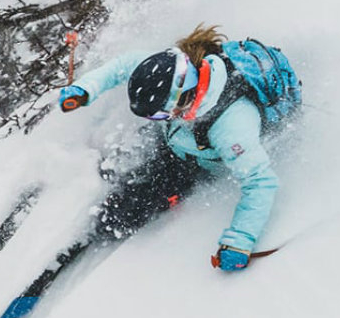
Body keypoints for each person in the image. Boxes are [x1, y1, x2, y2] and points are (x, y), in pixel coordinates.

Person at [58, 25, 283, 272]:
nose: (159, 117)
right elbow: (122, 65)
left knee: (129, 208)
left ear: (184, 98)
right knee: (130, 156)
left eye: (160, 114)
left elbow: (260, 182)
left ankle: (110, 222)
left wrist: (240, 242)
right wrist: (85, 89)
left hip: (194, 164)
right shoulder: (169, 70)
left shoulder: (232, 126)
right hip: (179, 139)